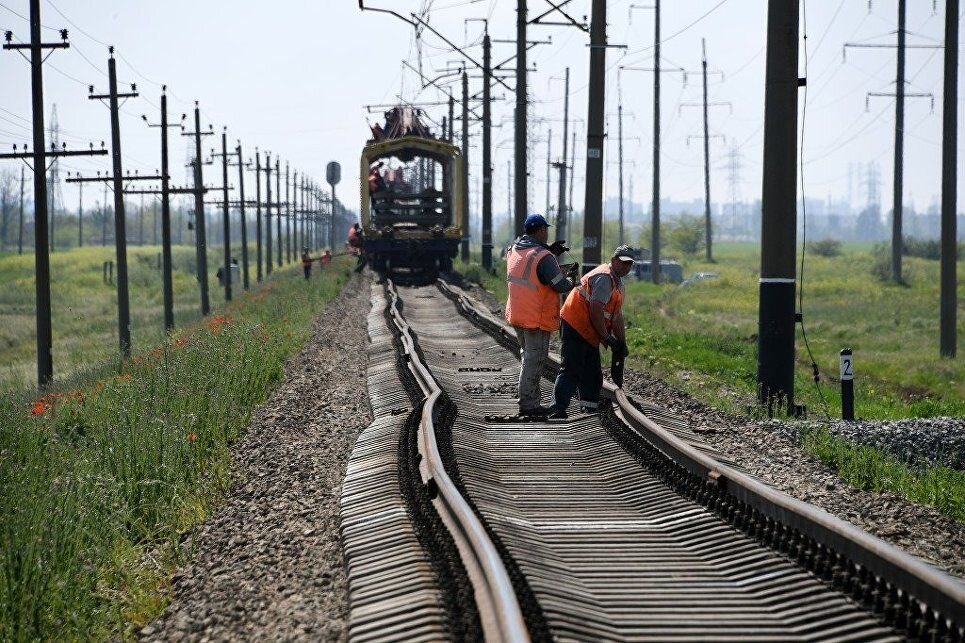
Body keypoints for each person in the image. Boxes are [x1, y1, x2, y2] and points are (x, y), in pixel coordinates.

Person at [548, 244, 635, 419]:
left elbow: (616, 316)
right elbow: (596, 310)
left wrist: (621, 342)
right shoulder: (604, 278)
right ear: (613, 261)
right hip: (575, 323)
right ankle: (557, 409)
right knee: (571, 368)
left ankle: (588, 408)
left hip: (589, 330)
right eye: (623, 262)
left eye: (629, 264)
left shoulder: (617, 284)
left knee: (592, 373)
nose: (626, 266)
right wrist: (607, 338)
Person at [504, 213, 577, 417]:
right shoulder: (543, 257)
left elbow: (530, 269)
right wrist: (571, 281)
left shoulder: (513, 250)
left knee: (528, 357)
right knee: (534, 359)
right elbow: (559, 284)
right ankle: (528, 405)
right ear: (541, 230)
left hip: (517, 313)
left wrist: (549, 250)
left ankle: (529, 400)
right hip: (535, 316)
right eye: (546, 230)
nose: (547, 233)